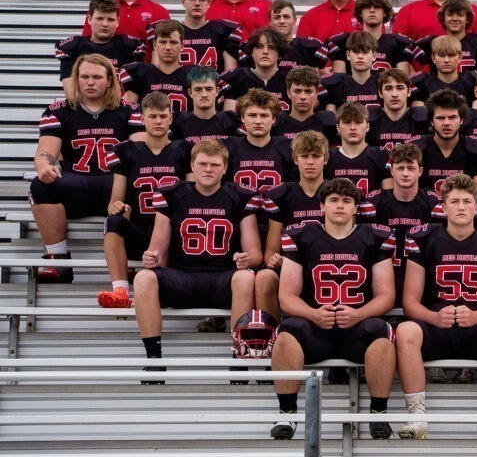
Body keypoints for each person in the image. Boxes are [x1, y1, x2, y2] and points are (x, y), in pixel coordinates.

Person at [269, 177, 397, 440]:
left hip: (357, 328)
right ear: (322, 206)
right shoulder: (301, 236)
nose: (340, 205)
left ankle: (378, 413)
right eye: (334, 200)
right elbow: (286, 297)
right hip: (316, 328)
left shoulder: (374, 238)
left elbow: (386, 295)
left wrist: (359, 314)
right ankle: (286, 413)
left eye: (347, 201)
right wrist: (313, 314)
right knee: (287, 331)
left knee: (381, 332)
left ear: (356, 208)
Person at [396, 173, 477, 439]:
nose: (461, 207)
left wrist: (476, 317)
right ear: (443, 207)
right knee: (406, 331)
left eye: (466, 201)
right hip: (438, 327)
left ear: (476, 207)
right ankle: (416, 415)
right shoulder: (424, 237)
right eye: (454, 201)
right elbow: (409, 302)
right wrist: (433, 317)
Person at [132, 139, 262, 364]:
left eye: (215, 165)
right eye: (202, 164)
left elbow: (256, 254)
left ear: (225, 168)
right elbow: (157, 250)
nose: (208, 169)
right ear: (192, 165)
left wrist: (245, 260)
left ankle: (238, 359)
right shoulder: (173, 194)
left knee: (245, 277)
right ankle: (154, 357)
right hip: (184, 280)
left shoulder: (239, 196)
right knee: (143, 277)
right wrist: (151, 258)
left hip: (222, 281)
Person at [30, 55, 143, 283]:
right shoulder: (59, 111)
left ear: (110, 80)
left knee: (141, 181)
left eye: (97, 77)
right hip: (76, 185)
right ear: (76, 79)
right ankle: (58, 260)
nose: (90, 82)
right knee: (40, 185)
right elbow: (46, 152)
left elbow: (140, 155)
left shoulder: (129, 110)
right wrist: (43, 165)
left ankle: (130, 257)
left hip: (114, 186)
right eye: (84, 77)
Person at [98, 92, 193, 308]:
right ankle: (121, 291)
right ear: (142, 119)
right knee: (112, 222)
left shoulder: (185, 149)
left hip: (172, 231)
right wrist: (117, 206)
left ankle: (163, 289)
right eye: (153, 116)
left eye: (163, 116)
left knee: (170, 226)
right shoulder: (126, 151)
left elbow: (191, 196)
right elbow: (114, 202)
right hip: (140, 227)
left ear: (171, 118)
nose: (158, 121)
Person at [258, 130, 332, 320]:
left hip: (330, 267)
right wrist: (275, 260)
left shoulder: (338, 193)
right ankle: (270, 334)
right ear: (295, 159)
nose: (310, 162)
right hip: (292, 268)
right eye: (304, 156)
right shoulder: (282, 195)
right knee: (264, 277)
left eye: (316, 156)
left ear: (325, 159)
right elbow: (271, 251)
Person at [366, 143, 443, 294]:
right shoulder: (374, 202)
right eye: (400, 168)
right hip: (383, 276)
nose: (405, 173)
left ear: (420, 171)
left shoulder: (432, 202)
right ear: (391, 171)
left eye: (411, 168)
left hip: (424, 278)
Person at [58, 0, 144, 96]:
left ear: (118, 21)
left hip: (119, 105)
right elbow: (71, 94)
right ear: (89, 19)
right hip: (83, 105)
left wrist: (118, 107)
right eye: (100, 18)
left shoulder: (129, 47)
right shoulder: (73, 48)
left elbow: (133, 93)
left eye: (110, 19)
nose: (105, 24)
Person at [414, 89, 477, 194]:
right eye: (440, 118)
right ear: (431, 121)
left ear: (461, 120)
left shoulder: (476, 149)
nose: (446, 123)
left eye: (452, 117)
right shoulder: (417, 149)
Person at [223, 89, 296, 196]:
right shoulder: (228, 146)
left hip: (277, 206)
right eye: (252, 115)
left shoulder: (288, 147)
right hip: (239, 206)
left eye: (264, 115)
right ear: (242, 118)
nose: (258, 121)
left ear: (274, 119)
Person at [325, 0, 413, 75]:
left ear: (385, 13)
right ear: (360, 12)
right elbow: (339, 81)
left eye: (377, 7)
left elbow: (402, 81)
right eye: (367, 7)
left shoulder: (398, 43)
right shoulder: (344, 42)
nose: (372, 10)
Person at [410, 0, 477, 75]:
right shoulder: (430, 44)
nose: (455, 19)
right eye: (450, 15)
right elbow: (406, 59)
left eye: (460, 15)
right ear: (443, 19)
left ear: (467, 19)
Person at [123, 20, 195, 113]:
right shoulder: (141, 73)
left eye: (173, 42)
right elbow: (128, 112)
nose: (168, 47)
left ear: (182, 46)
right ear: (154, 44)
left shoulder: (192, 75)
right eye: (163, 42)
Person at [241, 0, 328, 73]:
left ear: (294, 20)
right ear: (269, 22)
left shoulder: (306, 47)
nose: (282, 21)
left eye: (286, 17)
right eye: (277, 17)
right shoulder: (256, 46)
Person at [174, 0, 242, 73]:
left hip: (213, 83)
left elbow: (230, 74)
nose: (197, 3)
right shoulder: (173, 31)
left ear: (209, 3)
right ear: (183, 1)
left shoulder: (222, 30)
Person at [219, 27, 291, 113]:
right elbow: (229, 118)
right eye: (259, 47)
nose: (265, 51)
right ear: (252, 52)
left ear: (280, 54)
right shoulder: (236, 79)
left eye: (271, 47)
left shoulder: (291, 79)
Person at [326, 101, 391, 195]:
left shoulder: (381, 155)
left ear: (367, 126)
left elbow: (388, 196)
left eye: (358, 122)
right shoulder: (327, 157)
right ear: (338, 128)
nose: (353, 127)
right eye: (347, 122)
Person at [169, 66, 240, 143]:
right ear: (190, 93)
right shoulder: (177, 122)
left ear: (217, 91)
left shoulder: (232, 120)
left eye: (209, 89)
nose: (204, 94)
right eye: (198, 89)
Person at [319, 31, 385, 110]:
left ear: (374, 56)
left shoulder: (382, 83)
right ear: (348, 55)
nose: (360, 56)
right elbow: (330, 116)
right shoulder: (338, 85)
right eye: (356, 52)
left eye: (365, 52)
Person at [272, 67, 339, 144]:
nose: (303, 97)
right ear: (288, 93)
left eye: (308, 91)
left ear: (316, 93)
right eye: (297, 91)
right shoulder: (276, 124)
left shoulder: (329, 122)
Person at [369, 68, 429, 151]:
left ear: (409, 92)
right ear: (380, 93)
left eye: (400, 88)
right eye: (388, 88)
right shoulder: (370, 120)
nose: (394, 94)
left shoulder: (422, 118)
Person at [410, 35, 477, 103]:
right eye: (441, 55)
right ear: (433, 58)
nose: (446, 60)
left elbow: (476, 109)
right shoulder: (422, 82)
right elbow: (418, 109)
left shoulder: (472, 81)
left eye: (451, 55)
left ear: (460, 57)